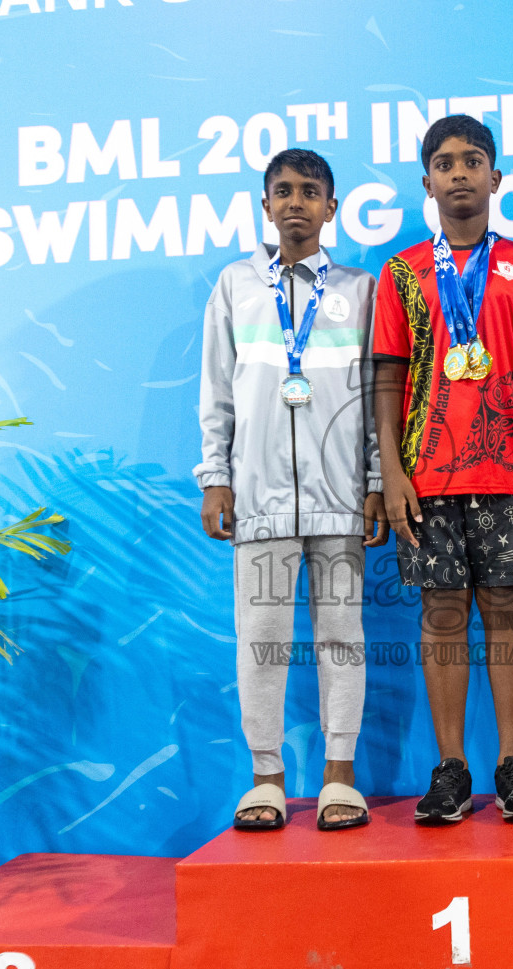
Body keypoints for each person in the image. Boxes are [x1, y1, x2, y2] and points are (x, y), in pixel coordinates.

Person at [195, 149, 388, 832]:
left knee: (343, 636)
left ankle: (341, 776)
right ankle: (267, 778)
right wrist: (217, 478)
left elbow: (372, 399)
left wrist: (372, 483)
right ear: (265, 204)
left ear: (332, 208)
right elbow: (217, 392)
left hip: (340, 500)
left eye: (311, 192)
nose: (296, 203)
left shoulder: (361, 290)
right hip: (260, 500)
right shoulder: (236, 286)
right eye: (283, 191)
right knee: (264, 640)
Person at [372, 115, 513, 825]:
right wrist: (391, 472)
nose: (458, 173)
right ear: (427, 182)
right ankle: (451, 768)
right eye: (444, 163)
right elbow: (387, 381)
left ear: (496, 178)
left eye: (472, 161)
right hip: (426, 477)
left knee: (507, 611)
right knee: (442, 614)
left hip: (508, 470)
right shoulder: (403, 274)